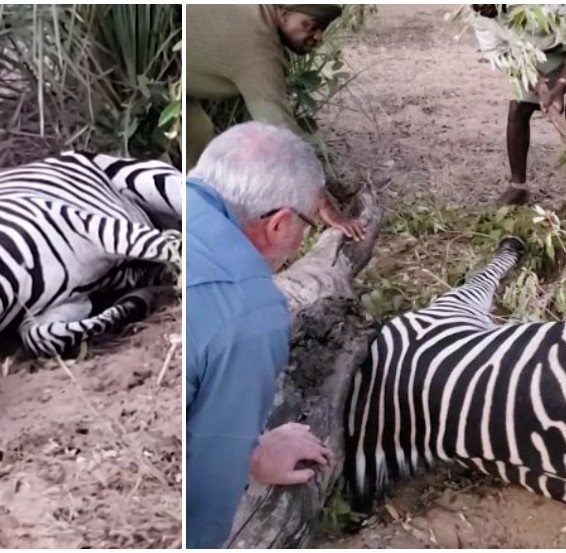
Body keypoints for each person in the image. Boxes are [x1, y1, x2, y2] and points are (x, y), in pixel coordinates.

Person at [186, 122, 365, 549]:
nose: (302, 237)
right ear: (279, 224)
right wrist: (257, 456)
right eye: (306, 223)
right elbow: (206, 492)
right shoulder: (254, 311)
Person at [186, 4, 344, 171]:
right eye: (311, 25)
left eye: (323, 28)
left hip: (175, 71)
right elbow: (278, 131)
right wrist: (314, 181)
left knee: (198, 135)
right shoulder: (258, 47)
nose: (319, 37)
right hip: (165, 69)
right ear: (285, 14)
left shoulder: (255, 11)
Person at [471, 4, 566, 205]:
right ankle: (517, 187)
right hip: (536, 56)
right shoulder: (479, 13)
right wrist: (538, 84)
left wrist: (562, 85)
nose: (480, 9)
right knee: (518, 109)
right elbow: (499, 54)